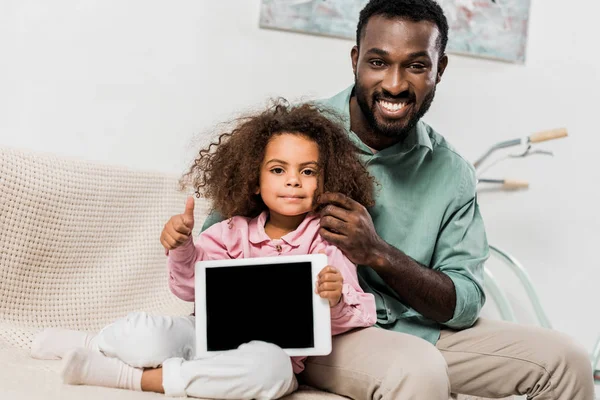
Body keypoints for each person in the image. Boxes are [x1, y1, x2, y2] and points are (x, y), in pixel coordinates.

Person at [202, 1, 596, 399]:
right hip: (322, 333)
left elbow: (464, 303)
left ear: (439, 69)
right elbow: (216, 252)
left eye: (416, 65)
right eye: (378, 62)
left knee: (567, 360)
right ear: (355, 60)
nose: (394, 84)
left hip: (417, 329)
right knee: (416, 369)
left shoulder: (452, 173)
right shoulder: (295, 138)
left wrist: (378, 253)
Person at [30, 101, 378, 399]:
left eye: (307, 171)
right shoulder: (231, 232)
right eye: (278, 170)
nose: (293, 180)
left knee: (271, 374)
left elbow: (361, 312)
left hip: (272, 356)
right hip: (202, 335)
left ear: (325, 180)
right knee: (147, 334)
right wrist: (182, 247)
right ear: (254, 181)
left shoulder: (327, 240)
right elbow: (187, 288)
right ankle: (93, 344)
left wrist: (334, 299)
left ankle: (134, 379)